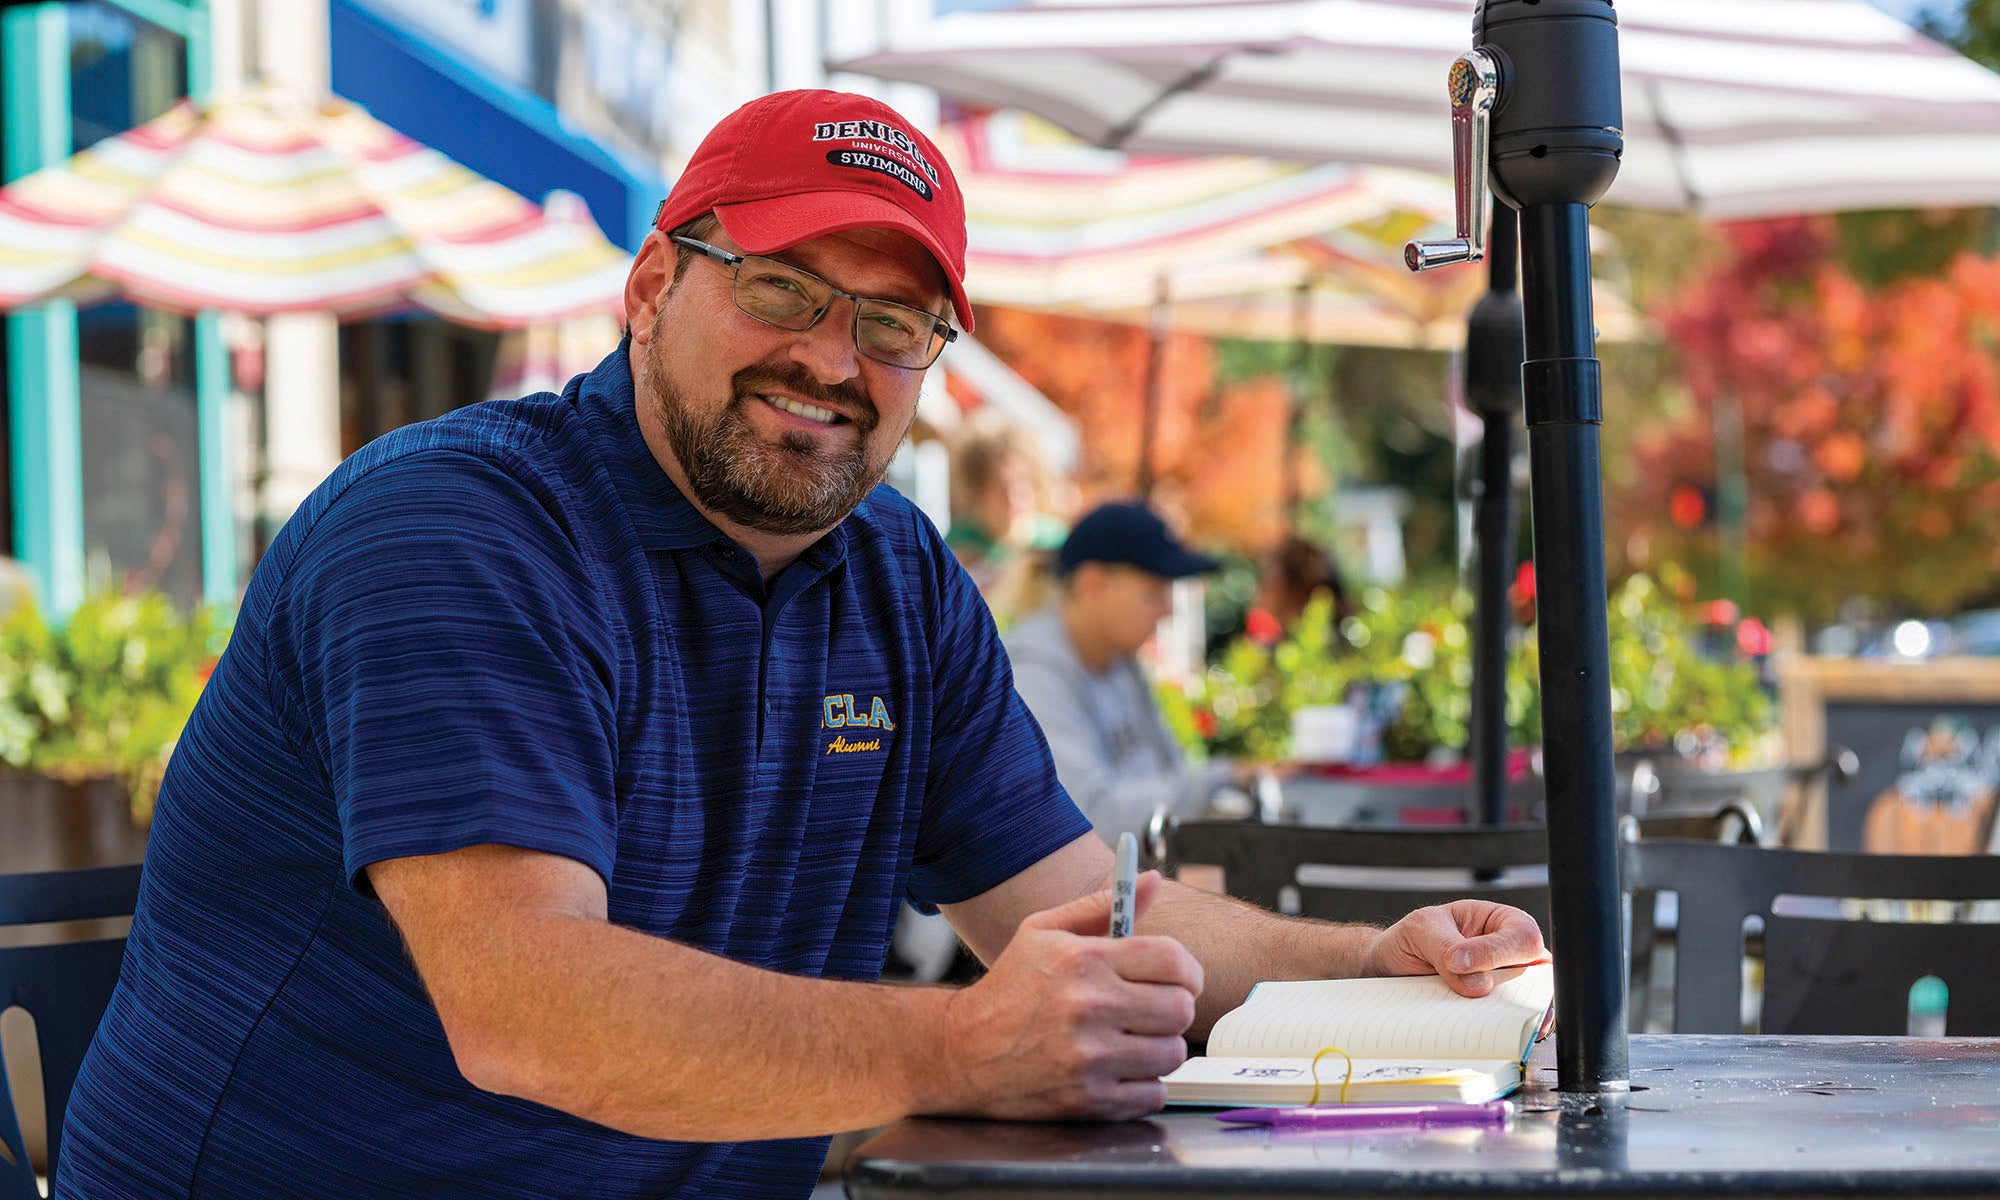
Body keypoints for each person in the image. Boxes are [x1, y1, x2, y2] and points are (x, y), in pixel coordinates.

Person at [58, 90, 1543, 1200]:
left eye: (896, 325)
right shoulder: (455, 530)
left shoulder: (898, 577)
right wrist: (960, 1049)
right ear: (652, 289)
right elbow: (524, 1006)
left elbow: (1090, 917)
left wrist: (1372, 962)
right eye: (781, 289)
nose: (834, 360)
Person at [1004, 501, 1257, 846]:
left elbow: (1172, 771)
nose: (1167, 611)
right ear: (1093, 584)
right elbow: (1090, 818)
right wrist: (1229, 776)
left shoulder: (1120, 659)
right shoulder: (1030, 672)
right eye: (1154, 593)